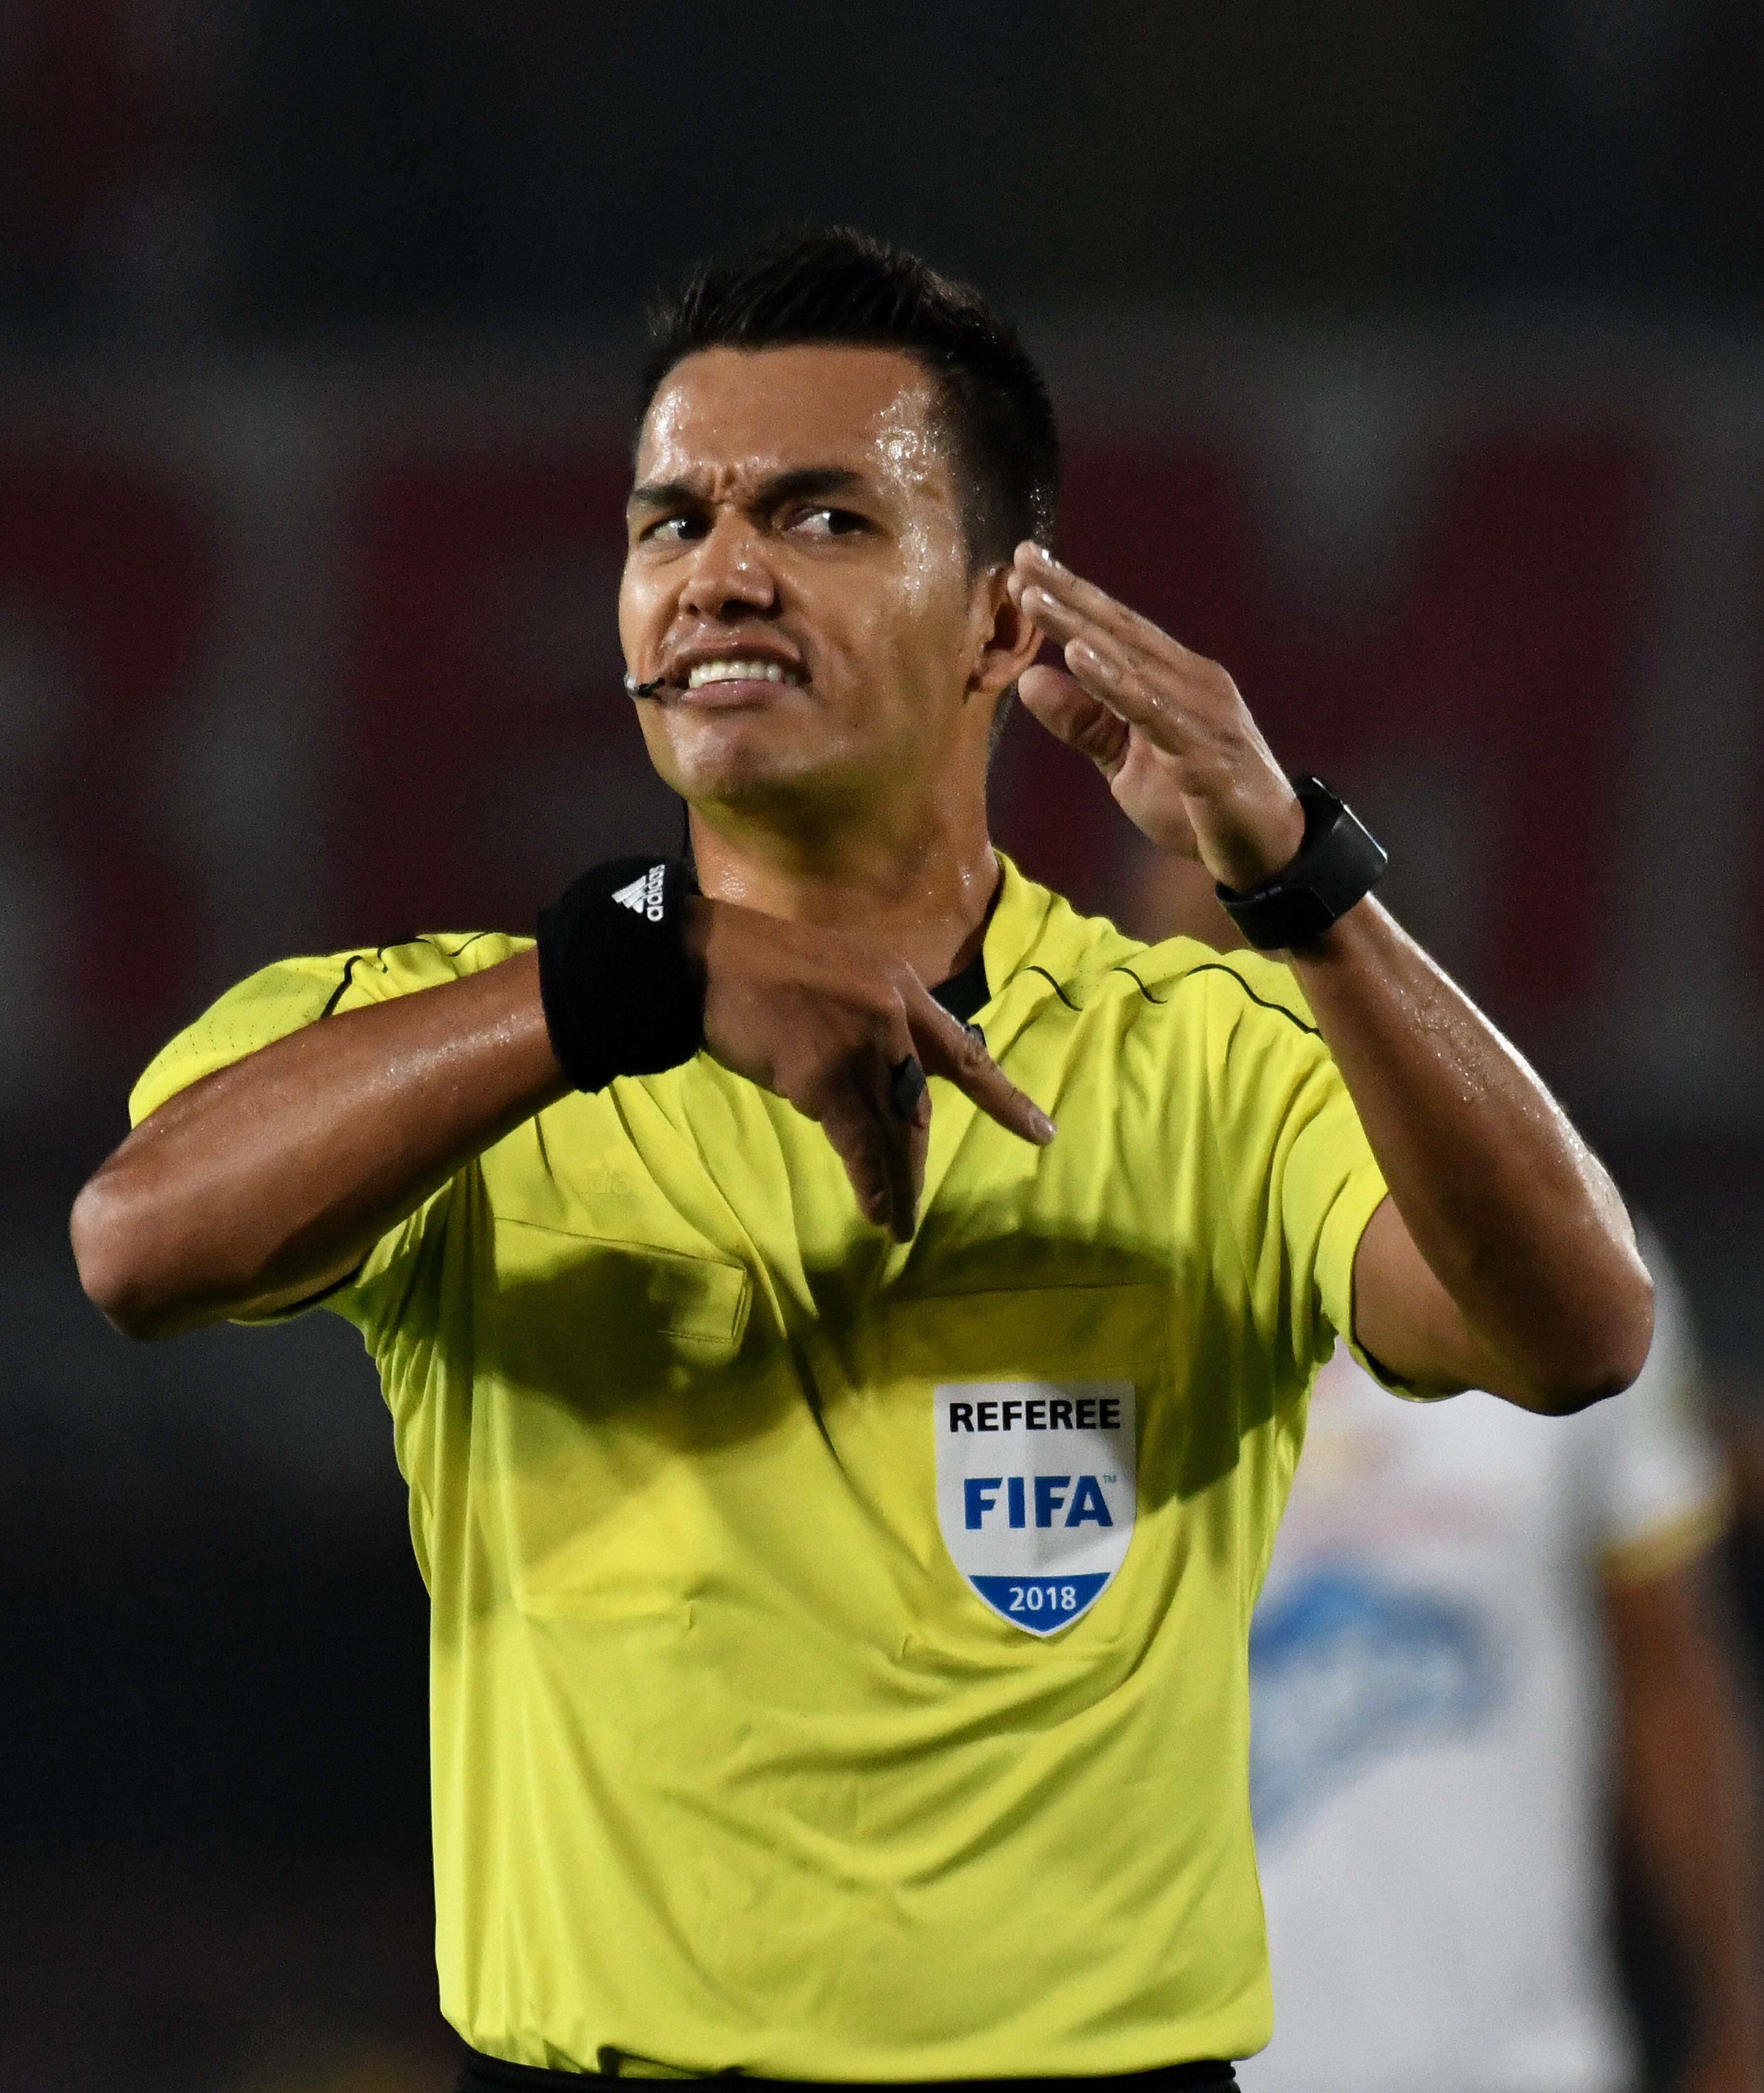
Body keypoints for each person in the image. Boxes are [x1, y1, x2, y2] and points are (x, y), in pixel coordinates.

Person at [70, 229, 1653, 2090]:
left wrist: (1298, 876)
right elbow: (139, 1241)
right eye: (670, 523)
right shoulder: (454, 1037)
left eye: (820, 518)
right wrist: (620, 980)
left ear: (1002, 619)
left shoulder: (1209, 1062)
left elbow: (1574, 1332)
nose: (719, 571)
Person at [1131, 853, 1764, 2093]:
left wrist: (1737, 2011)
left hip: (1509, 2065)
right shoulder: (1056, 1309)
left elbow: (1667, 1673)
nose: (1223, 1002)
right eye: (1176, 970)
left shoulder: (1565, 1277)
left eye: (1255, 953)